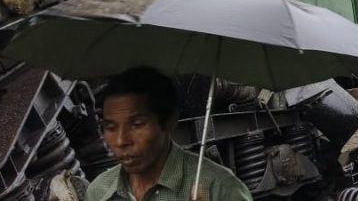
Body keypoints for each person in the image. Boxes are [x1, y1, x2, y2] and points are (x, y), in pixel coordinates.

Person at [87, 67, 252, 201]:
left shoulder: (220, 190)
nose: (121, 140)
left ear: (169, 122)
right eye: (111, 127)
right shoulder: (99, 192)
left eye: (136, 125)